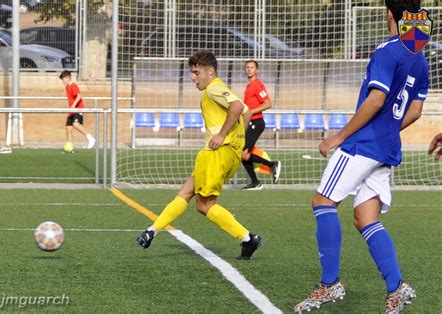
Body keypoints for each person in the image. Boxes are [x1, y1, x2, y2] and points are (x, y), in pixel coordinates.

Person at [294, 1, 427, 313]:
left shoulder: (388, 49)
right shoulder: (419, 57)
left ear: (390, 14)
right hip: (387, 148)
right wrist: (390, 129)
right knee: (365, 218)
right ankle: (397, 287)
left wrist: (339, 136)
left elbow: (376, 99)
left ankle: (329, 285)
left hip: (363, 144)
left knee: (323, 203)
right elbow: (416, 110)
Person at [137, 50, 262, 260]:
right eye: (191, 72)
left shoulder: (213, 89)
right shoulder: (220, 87)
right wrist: (236, 141)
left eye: (196, 72)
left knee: (205, 205)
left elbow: (238, 107)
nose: (193, 77)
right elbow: (247, 112)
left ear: (210, 72)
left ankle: (248, 239)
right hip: (225, 154)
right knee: (186, 191)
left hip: (216, 154)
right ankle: (152, 231)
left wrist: (222, 135)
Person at [241, 60, 281, 190]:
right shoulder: (248, 86)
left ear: (256, 70)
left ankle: (272, 164)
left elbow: (268, 103)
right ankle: (255, 182)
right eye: (247, 67)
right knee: (242, 154)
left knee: (243, 153)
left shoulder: (257, 85)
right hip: (249, 123)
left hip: (256, 123)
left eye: (252, 67)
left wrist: (252, 111)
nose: (249, 69)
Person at [59, 70, 96, 150]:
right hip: (72, 111)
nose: (62, 81)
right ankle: (70, 147)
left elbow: (79, 96)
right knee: (68, 128)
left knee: (75, 124)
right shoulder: (67, 87)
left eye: (63, 79)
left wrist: (74, 105)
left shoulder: (73, 86)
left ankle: (91, 138)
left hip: (77, 108)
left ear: (67, 78)